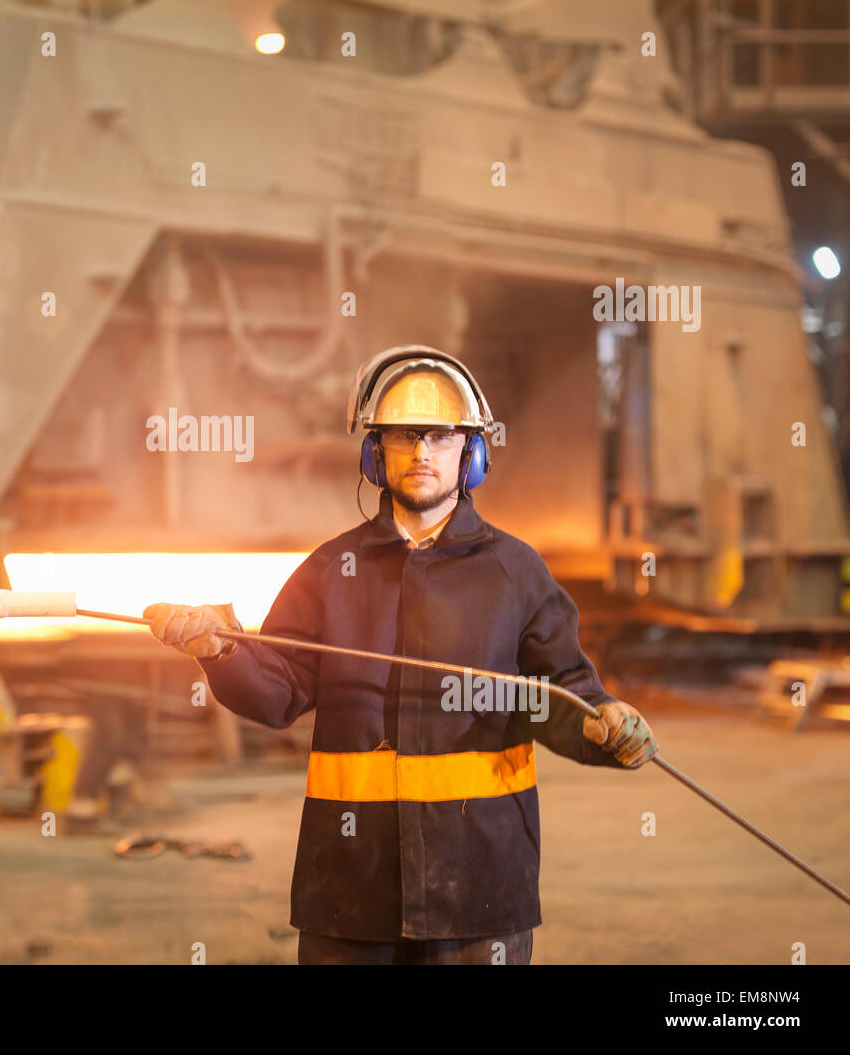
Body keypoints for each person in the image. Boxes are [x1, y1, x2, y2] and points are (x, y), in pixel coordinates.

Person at [144, 345, 656, 965]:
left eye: (440, 437)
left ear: (470, 454)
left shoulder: (514, 571)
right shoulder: (333, 569)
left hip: (480, 886)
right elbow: (276, 690)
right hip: (352, 886)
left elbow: (564, 693)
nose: (421, 454)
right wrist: (218, 652)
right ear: (373, 454)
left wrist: (609, 726)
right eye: (402, 437)